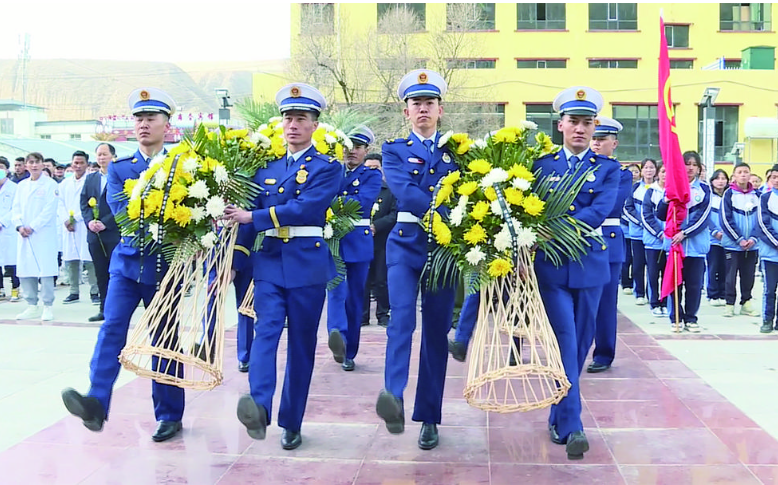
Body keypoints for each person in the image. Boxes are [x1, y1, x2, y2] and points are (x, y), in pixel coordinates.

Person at [61, 88, 186, 443]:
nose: (144, 125)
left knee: (164, 339)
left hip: (165, 266)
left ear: (167, 124)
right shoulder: (119, 168)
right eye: (139, 119)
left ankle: (169, 414)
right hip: (128, 263)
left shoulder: (184, 166)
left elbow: (193, 214)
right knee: (112, 328)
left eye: (151, 118)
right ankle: (96, 403)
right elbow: (123, 213)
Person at [224, 83, 341, 451]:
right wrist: (235, 257)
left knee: (302, 346)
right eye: (288, 118)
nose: (292, 125)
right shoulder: (268, 169)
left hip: (307, 263)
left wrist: (253, 215)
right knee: (266, 332)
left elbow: (305, 208)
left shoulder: (327, 168)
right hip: (271, 262)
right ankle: (259, 407)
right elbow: (245, 219)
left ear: (314, 126)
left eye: (301, 119)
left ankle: (292, 421)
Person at [534, 87, 619, 460]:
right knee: (566, 343)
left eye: (588, 124)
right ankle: (574, 426)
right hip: (552, 267)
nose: (581, 130)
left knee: (581, 346)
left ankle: (557, 413)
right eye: (574, 122)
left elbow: (599, 211)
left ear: (594, 128)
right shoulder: (542, 165)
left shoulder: (608, 170)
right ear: (560, 125)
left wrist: (557, 226)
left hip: (590, 265)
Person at [376, 69, 458, 451]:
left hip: (444, 252)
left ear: (440, 109)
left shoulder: (459, 150)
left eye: (429, 103)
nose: (422, 109)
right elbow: (406, 193)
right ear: (406, 111)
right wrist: (445, 213)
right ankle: (392, 393)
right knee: (402, 319)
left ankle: (429, 416)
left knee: (436, 333)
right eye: (415, 104)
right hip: (406, 244)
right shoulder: (393, 149)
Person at [326, 126, 382, 371]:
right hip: (334, 238)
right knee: (335, 289)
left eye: (357, 148)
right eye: (348, 147)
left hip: (358, 240)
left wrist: (335, 202)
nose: (351, 152)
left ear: (366, 150)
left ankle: (350, 351)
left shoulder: (372, 175)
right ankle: (336, 333)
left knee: (354, 297)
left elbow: (363, 202)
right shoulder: (332, 171)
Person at [586, 116, 633, 373]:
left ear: (613, 143)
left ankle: (604, 353)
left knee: (605, 303)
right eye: (594, 138)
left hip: (607, 240)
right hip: (579, 241)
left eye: (602, 140)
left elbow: (611, 205)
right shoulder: (578, 167)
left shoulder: (622, 174)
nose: (596, 143)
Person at [657, 151, 711, 332]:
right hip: (674, 246)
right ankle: (676, 318)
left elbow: (703, 218)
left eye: (694, 164)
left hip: (694, 247)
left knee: (694, 284)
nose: (690, 167)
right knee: (675, 283)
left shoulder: (704, 189)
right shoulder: (671, 187)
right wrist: (666, 199)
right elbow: (660, 214)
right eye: (686, 163)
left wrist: (685, 233)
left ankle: (691, 318)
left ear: (699, 168)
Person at [12, 152, 59, 321]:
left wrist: (32, 226)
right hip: (23, 234)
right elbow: (15, 208)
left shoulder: (50, 185)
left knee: (45, 270)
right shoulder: (21, 186)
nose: (33, 165)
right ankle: (32, 304)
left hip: (42, 234)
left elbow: (49, 210)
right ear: (26, 165)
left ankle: (47, 305)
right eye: (30, 162)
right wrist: (19, 225)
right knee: (26, 269)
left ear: (42, 164)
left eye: (36, 162)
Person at [80, 143, 120, 322]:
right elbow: (84, 202)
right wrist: (90, 222)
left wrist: (106, 223)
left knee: (115, 272)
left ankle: (116, 308)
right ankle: (103, 307)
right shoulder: (91, 179)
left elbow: (123, 205)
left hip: (113, 232)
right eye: (99, 155)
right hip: (94, 233)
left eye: (105, 154)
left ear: (113, 156)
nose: (101, 158)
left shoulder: (120, 177)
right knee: (100, 272)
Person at [58, 150, 99, 306]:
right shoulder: (64, 183)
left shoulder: (90, 181)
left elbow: (91, 203)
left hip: (83, 224)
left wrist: (75, 218)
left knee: (89, 259)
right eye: (76, 163)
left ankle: (94, 291)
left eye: (81, 163)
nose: (78, 166)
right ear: (71, 163)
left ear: (87, 164)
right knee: (71, 259)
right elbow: (60, 203)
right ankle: (73, 291)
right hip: (68, 227)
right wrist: (65, 220)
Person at [720, 163, 760, 318]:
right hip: (733, 244)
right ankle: (729, 303)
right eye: (740, 172)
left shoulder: (757, 195)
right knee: (730, 275)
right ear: (734, 176)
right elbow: (725, 219)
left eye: (746, 172)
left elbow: (761, 220)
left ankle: (746, 302)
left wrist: (753, 238)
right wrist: (739, 239)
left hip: (752, 245)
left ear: (750, 175)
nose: (743, 175)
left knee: (748, 274)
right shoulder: (729, 194)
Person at [362, 153, 396, 327]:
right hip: (361, 242)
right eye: (368, 168)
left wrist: (377, 226)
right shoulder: (358, 188)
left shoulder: (389, 191)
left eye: (376, 168)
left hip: (382, 242)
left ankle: (383, 314)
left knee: (381, 280)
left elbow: (394, 214)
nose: (372, 171)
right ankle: (362, 316)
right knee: (363, 280)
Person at [623, 158, 658, 305]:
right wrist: (641, 222)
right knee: (638, 264)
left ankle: (653, 294)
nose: (649, 171)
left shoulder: (659, 188)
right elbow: (627, 208)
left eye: (651, 168)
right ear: (641, 170)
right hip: (637, 233)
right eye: (646, 168)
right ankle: (640, 293)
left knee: (653, 266)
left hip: (654, 234)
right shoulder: (635, 187)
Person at [642, 163, 668, 317]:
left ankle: (664, 302)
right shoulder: (651, 191)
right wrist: (659, 233)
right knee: (653, 273)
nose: (666, 175)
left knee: (667, 274)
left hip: (671, 242)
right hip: (653, 241)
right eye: (663, 171)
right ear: (658, 173)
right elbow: (646, 216)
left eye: (669, 172)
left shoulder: (675, 192)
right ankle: (654, 302)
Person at [756, 165, 778, 333]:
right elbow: (763, 225)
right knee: (769, 289)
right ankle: (767, 320)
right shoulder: (765, 198)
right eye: (774, 177)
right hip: (770, 253)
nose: (777, 180)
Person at [707, 169, 729, 306]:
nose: (720, 181)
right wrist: (714, 232)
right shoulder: (709, 197)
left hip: (728, 240)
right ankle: (713, 294)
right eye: (718, 178)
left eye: (723, 178)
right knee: (713, 267)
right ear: (712, 181)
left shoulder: (729, 196)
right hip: (713, 240)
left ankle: (723, 293)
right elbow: (706, 218)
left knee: (725, 268)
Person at [0, 158, 20, 301]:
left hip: (9, 229)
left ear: (7, 170)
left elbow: (16, 208)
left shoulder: (14, 188)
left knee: (12, 260)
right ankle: (1, 288)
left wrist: (2, 222)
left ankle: (15, 288)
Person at [620, 163, 641, 294]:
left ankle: (635, 282)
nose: (634, 173)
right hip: (625, 228)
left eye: (636, 171)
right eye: (631, 171)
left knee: (636, 260)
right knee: (625, 257)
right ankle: (625, 283)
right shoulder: (623, 188)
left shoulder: (641, 188)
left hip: (639, 230)